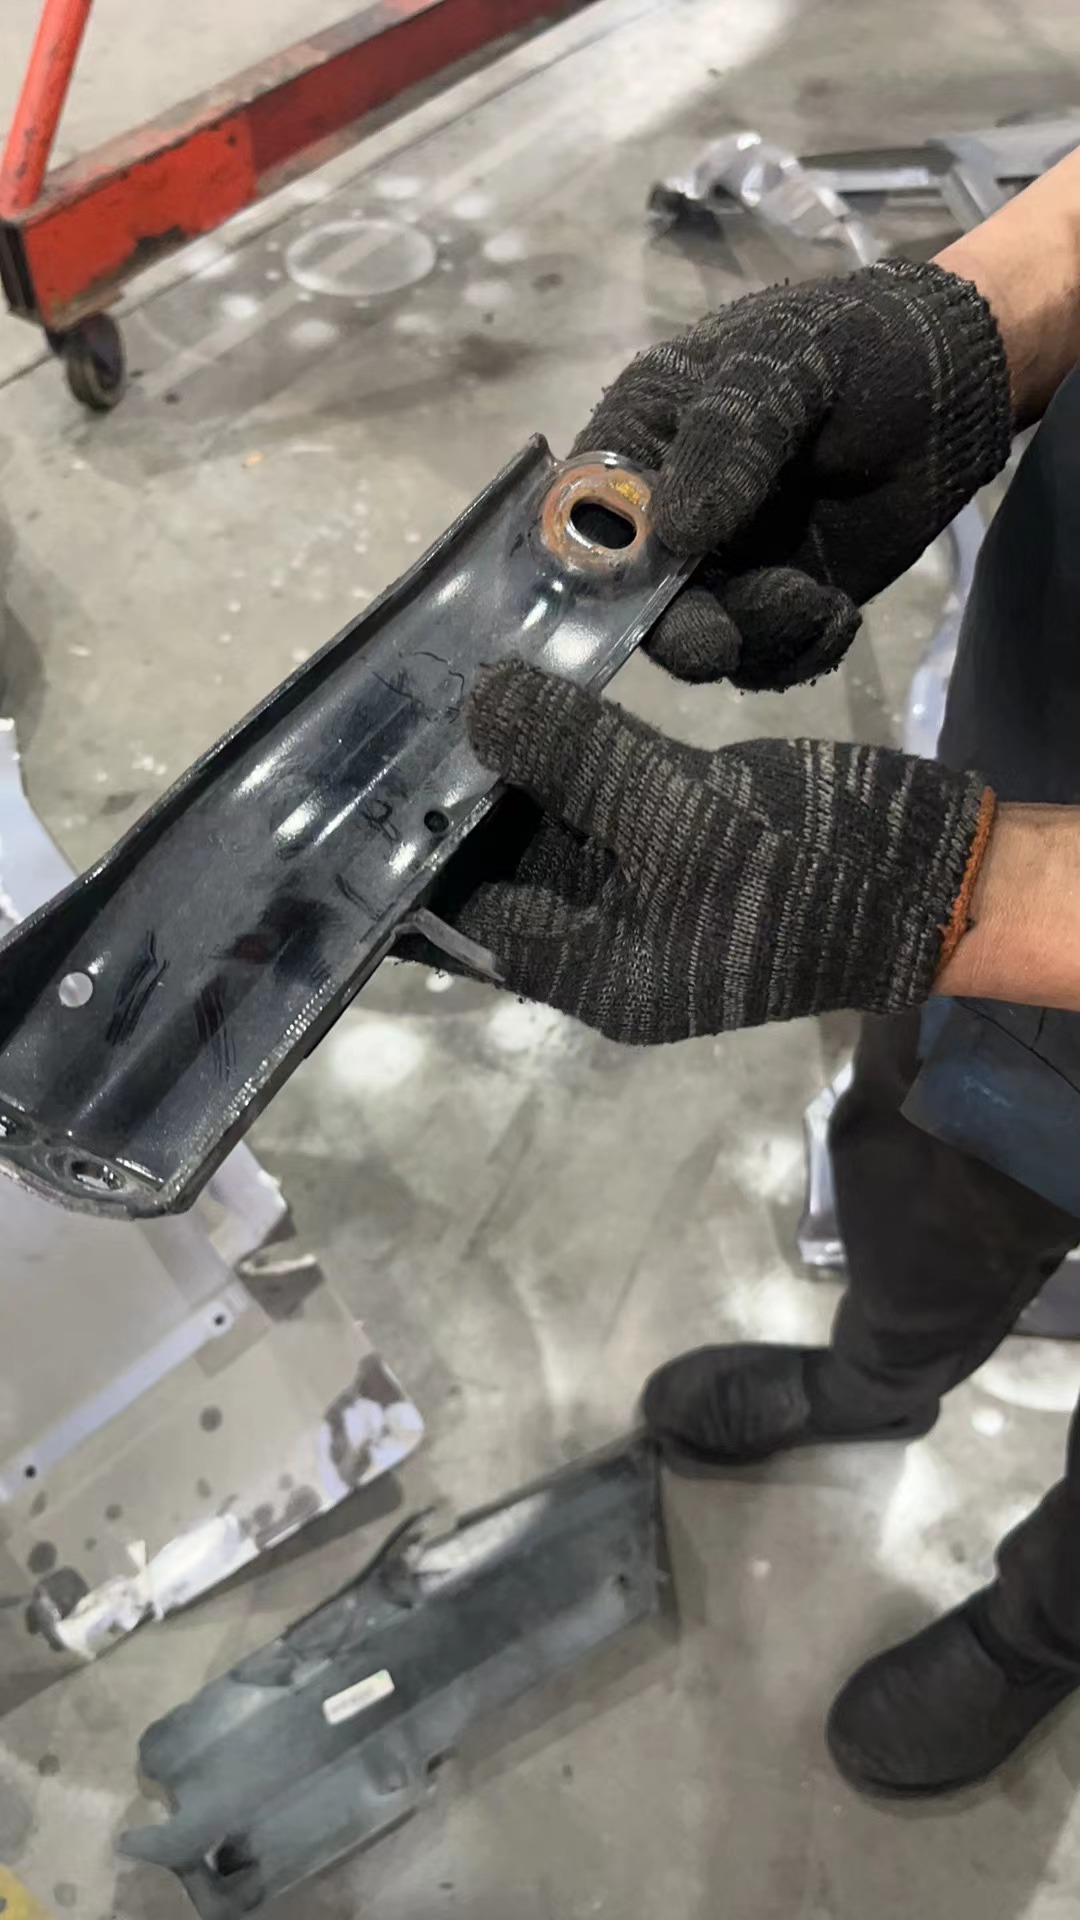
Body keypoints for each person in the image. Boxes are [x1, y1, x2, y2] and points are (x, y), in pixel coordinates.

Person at [425, 143, 1080, 1798]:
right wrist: (988, 312)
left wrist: (977, 894)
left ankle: (1042, 1634)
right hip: (1033, 780)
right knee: (930, 1161)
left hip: (1003, 890)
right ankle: (878, 1381)